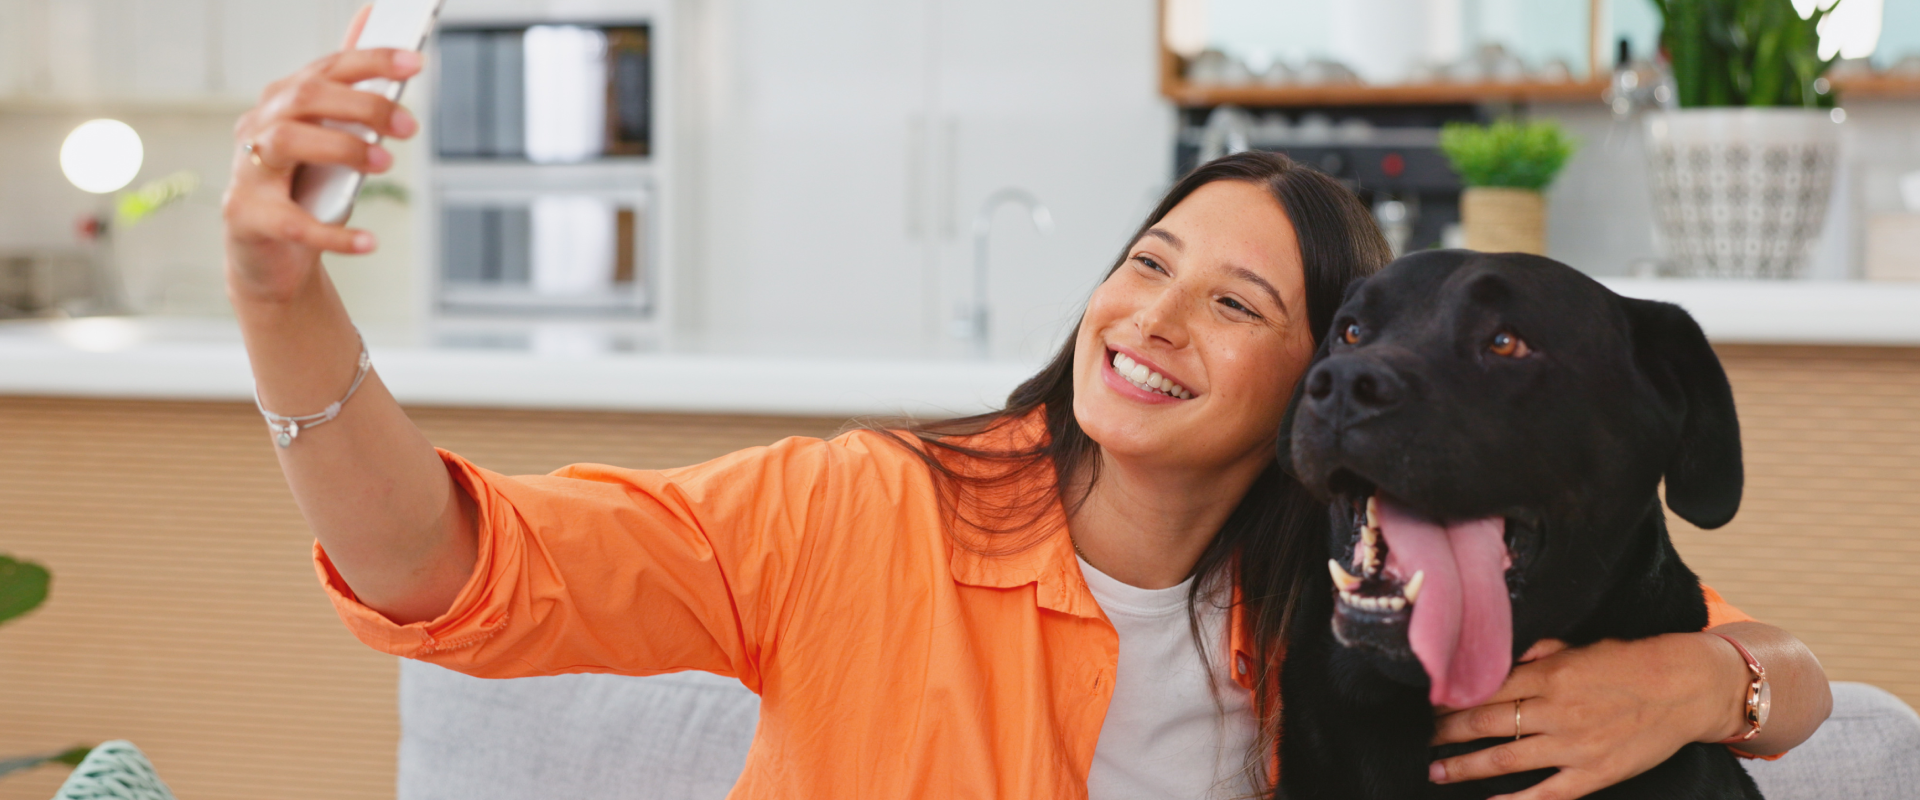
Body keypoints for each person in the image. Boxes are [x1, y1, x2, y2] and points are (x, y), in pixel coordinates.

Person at [223, 14, 1831, 800]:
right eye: (1148, 262)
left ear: (1310, 395)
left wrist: (1712, 684)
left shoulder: (1357, 582)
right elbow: (446, 564)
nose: (1154, 318)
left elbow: (1775, 664)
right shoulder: (862, 511)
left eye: (1242, 306)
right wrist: (282, 301)